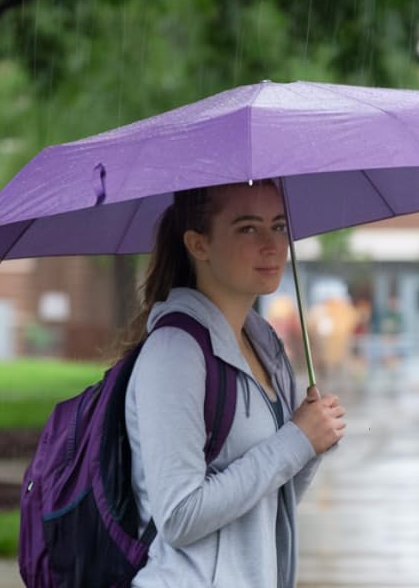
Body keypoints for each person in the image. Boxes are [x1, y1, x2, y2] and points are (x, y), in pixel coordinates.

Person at [117, 181, 347, 587]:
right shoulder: (175, 353)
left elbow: (271, 500)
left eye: (278, 226)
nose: (273, 245)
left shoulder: (264, 344)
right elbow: (179, 516)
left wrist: (311, 445)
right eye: (248, 228)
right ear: (198, 244)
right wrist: (295, 440)